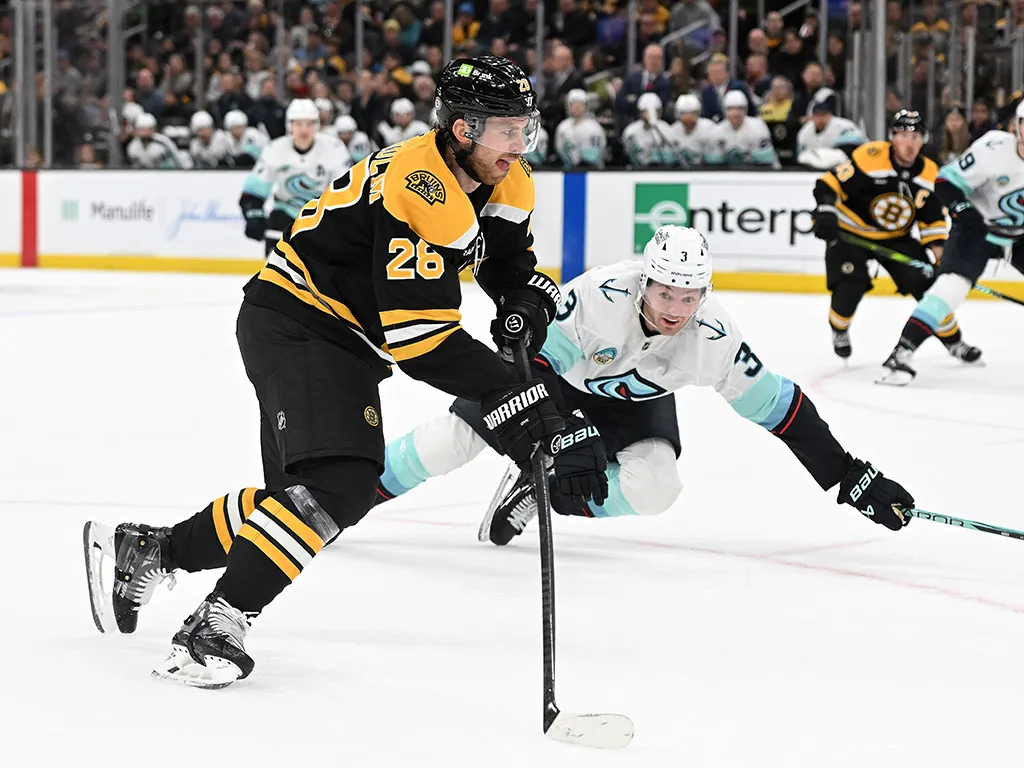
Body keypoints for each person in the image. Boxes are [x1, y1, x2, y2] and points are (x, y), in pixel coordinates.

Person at [83, 56, 575, 688]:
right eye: (507, 130)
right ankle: (213, 628)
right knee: (341, 485)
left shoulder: (507, 180)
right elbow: (420, 340)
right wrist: (518, 392)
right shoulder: (420, 188)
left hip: (329, 334)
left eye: (524, 127)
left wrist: (523, 300)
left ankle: (151, 551)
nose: (521, 143)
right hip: (299, 323)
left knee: (300, 506)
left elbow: (505, 262)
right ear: (463, 130)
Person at [373, 225, 916, 547]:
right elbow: (531, 366)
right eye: (665, 295)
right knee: (452, 442)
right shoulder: (598, 296)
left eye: (690, 297)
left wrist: (846, 474)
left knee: (657, 488)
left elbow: (781, 409)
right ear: (643, 283)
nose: (676, 310)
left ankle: (544, 492)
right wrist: (564, 434)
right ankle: (349, 494)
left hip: (631, 403)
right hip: (554, 389)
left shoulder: (714, 337)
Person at [811, 110, 978, 363]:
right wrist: (825, 210)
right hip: (850, 232)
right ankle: (839, 329)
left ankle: (954, 341)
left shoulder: (931, 174)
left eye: (914, 136)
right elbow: (828, 183)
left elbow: (931, 223)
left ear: (924, 139)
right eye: (902, 135)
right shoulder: (870, 158)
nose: (908, 143)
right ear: (892, 138)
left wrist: (944, 263)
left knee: (928, 287)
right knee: (849, 286)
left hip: (894, 237)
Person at [878, 103, 1024, 385]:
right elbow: (945, 181)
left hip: (1020, 236)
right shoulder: (994, 148)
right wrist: (963, 211)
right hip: (977, 229)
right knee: (951, 287)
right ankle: (901, 353)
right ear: (1015, 127)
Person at [239, 99, 352, 256]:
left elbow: (347, 192)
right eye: (298, 124)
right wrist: (254, 215)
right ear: (289, 125)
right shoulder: (275, 149)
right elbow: (253, 192)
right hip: (283, 218)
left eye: (310, 124)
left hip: (320, 219)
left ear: (317, 125)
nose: (304, 130)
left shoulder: (334, 149)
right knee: (277, 276)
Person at [705, 90, 778, 166]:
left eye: (740, 108)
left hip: (759, 172)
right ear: (724, 110)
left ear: (745, 110)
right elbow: (711, 161)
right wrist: (724, 157)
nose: (736, 113)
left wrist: (747, 156)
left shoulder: (758, 126)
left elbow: (767, 158)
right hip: (728, 173)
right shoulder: (717, 131)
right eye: (731, 109)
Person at [795, 91, 865, 169]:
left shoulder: (844, 126)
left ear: (829, 115)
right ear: (812, 117)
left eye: (823, 115)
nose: (820, 118)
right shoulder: (805, 132)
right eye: (817, 115)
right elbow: (800, 154)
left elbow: (854, 148)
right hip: (812, 167)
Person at [554, 88, 606, 168]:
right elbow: (560, 150)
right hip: (568, 170)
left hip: (591, 171)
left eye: (580, 104)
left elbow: (595, 155)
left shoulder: (594, 128)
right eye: (573, 104)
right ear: (568, 106)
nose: (576, 107)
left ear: (585, 106)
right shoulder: (562, 127)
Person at [622, 92, 675, 167]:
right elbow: (629, 155)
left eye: (654, 111)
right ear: (640, 112)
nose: (649, 114)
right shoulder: (631, 131)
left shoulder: (666, 129)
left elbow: (671, 157)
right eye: (645, 111)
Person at [667, 93, 715, 166]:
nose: (688, 117)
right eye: (684, 113)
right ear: (678, 114)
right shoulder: (673, 130)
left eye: (692, 113)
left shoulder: (709, 128)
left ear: (698, 113)